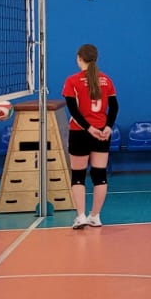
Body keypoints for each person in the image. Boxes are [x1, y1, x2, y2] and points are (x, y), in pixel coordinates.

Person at [61, 43, 117, 229]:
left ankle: (81, 216)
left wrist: (88, 128)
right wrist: (108, 127)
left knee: (78, 175)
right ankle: (95, 216)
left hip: (80, 132)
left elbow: (73, 109)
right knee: (99, 175)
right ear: (96, 58)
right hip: (102, 132)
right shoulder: (106, 80)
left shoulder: (72, 81)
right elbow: (114, 107)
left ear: (79, 58)